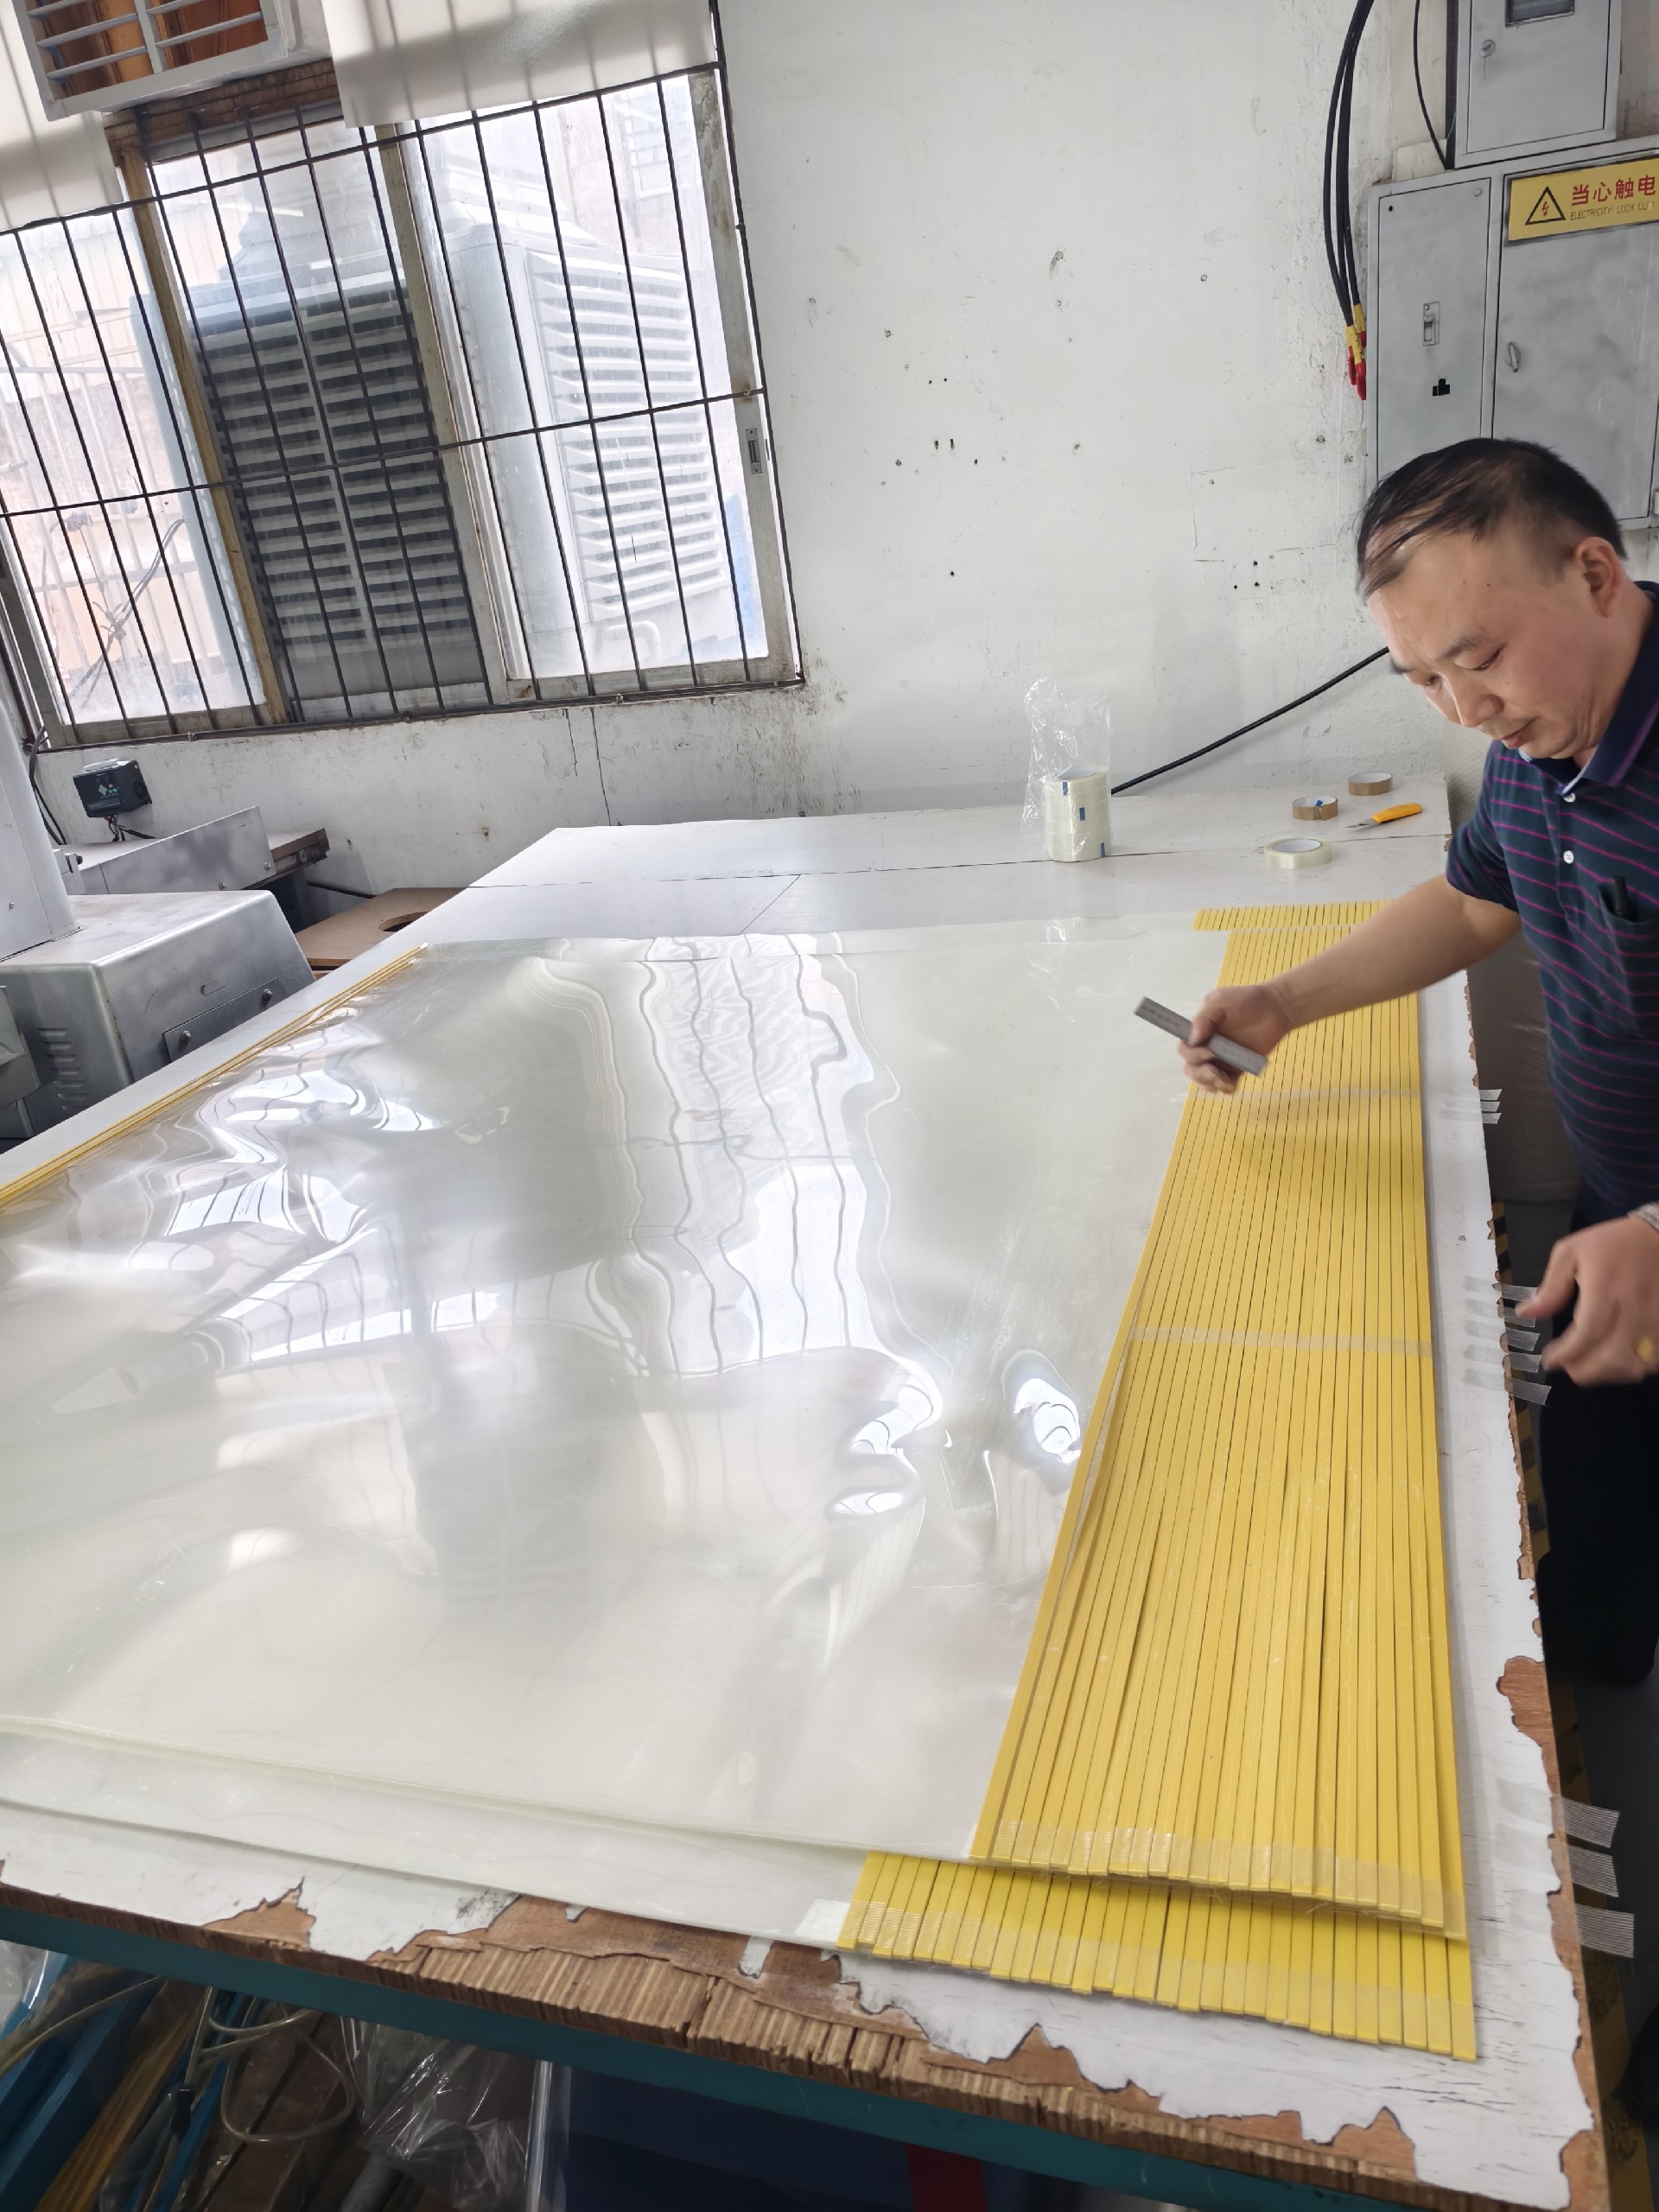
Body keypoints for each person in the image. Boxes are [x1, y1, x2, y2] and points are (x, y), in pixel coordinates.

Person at [1176, 437, 1659, 1692]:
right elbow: (1473, 902)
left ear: (1595, 574)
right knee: (1599, 1484)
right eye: (1425, 678)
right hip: (1623, 1221)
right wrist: (1287, 1002)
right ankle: (1587, 1679)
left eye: (1479, 658)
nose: (1463, 710)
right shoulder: (1541, 737)